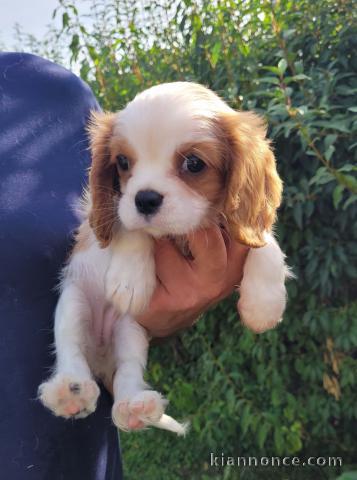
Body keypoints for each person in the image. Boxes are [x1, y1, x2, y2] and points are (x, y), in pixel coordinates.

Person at [0, 52, 248, 479]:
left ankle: (132, 389)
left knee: (115, 332)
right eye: (126, 163)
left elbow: (116, 211)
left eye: (192, 164)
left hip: (72, 464)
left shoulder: (49, 92)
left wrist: (163, 309)